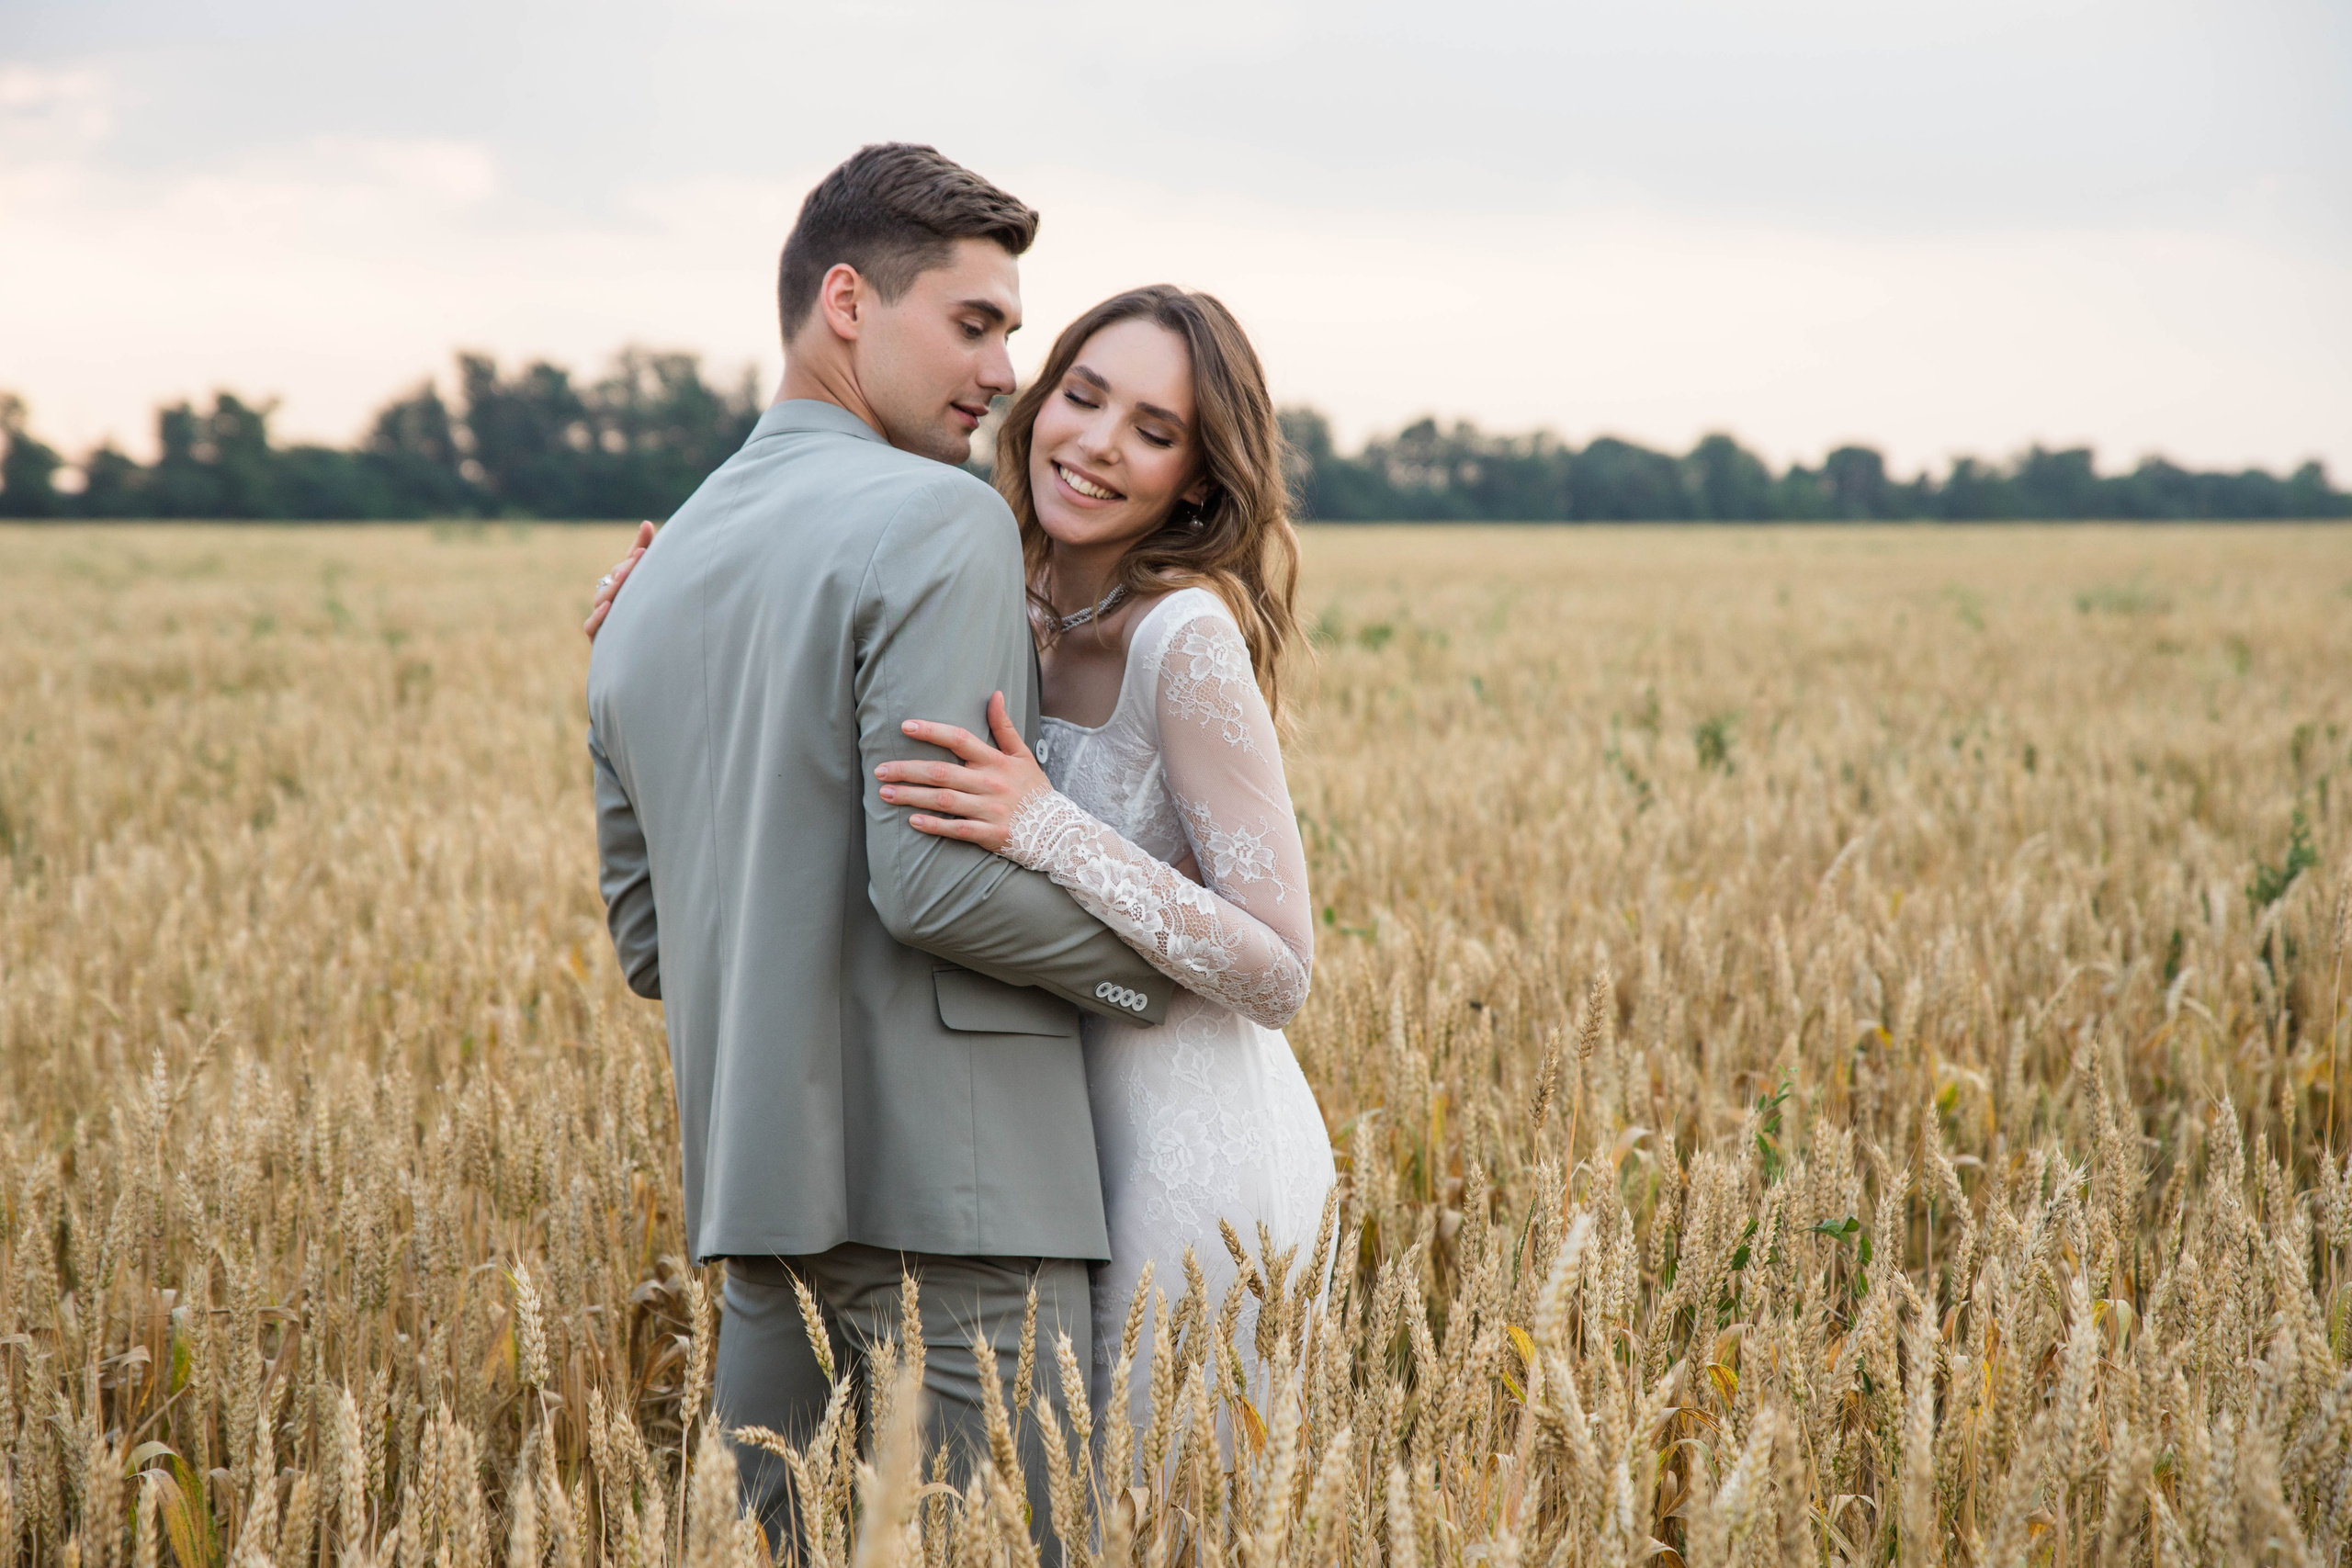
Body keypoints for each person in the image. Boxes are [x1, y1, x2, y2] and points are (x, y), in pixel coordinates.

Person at [591, 276, 1336, 1444]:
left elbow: (1279, 968)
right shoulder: (1005, 597)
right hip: (1042, 1134)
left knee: (1150, 1514)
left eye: (1152, 432)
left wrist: (1049, 828)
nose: (1095, 444)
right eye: (1081, 397)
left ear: (1196, 477)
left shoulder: (1184, 638)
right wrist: (671, 615)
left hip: (1190, 1152)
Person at [582, 143, 1170, 1555]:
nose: (1011, 370)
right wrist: (1169, 974)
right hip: (966, 1206)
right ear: (847, 299)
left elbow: (655, 944)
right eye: (977, 322)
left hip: (758, 1209)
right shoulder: (938, 514)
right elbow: (933, 878)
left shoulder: (647, 579)